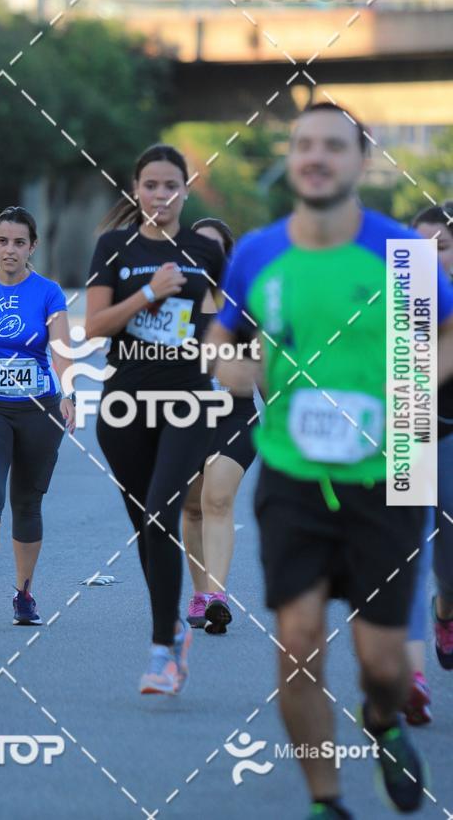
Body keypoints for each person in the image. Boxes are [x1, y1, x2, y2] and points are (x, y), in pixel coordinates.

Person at [206, 103, 453, 819]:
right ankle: (326, 801)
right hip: (292, 473)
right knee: (298, 640)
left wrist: (409, 382)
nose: (317, 157)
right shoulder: (257, 251)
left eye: (333, 146)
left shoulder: (400, 252)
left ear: (360, 160)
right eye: (305, 144)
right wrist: (235, 369)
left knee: (383, 665)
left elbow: (446, 331)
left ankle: (380, 721)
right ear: (293, 157)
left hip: (386, 471)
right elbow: (223, 337)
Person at [85, 144, 226, 695]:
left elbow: (228, 323)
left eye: (171, 186)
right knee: (146, 523)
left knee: (162, 511)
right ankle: (169, 621)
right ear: (135, 190)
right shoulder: (113, 246)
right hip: (123, 402)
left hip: (187, 399)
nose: (160, 196)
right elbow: (94, 325)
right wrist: (148, 292)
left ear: (186, 191)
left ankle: (163, 652)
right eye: (151, 185)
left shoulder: (204, 250)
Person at [0, 206, 75, 629]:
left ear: (32, 247)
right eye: (3, 241)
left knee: (27, 501)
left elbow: (60, 347)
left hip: (39, 409)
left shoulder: (48, 292)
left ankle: (24, 594)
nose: (10, 250)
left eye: (19, 242)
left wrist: (69, 394)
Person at [181, 218, 258, 634]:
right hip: (182, 418)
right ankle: (199, 591)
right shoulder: (172, 303)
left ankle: (217, 595)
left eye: (214, 249)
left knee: (217, 499)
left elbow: (259, 374)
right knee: (191, 507)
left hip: (235, 415)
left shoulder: (244, 306)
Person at [412, 206, 453, 672]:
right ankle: (409, 675)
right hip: (406, 433)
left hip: (449, 437)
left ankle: (446, 609)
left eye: (439, 248)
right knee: (403, 554)